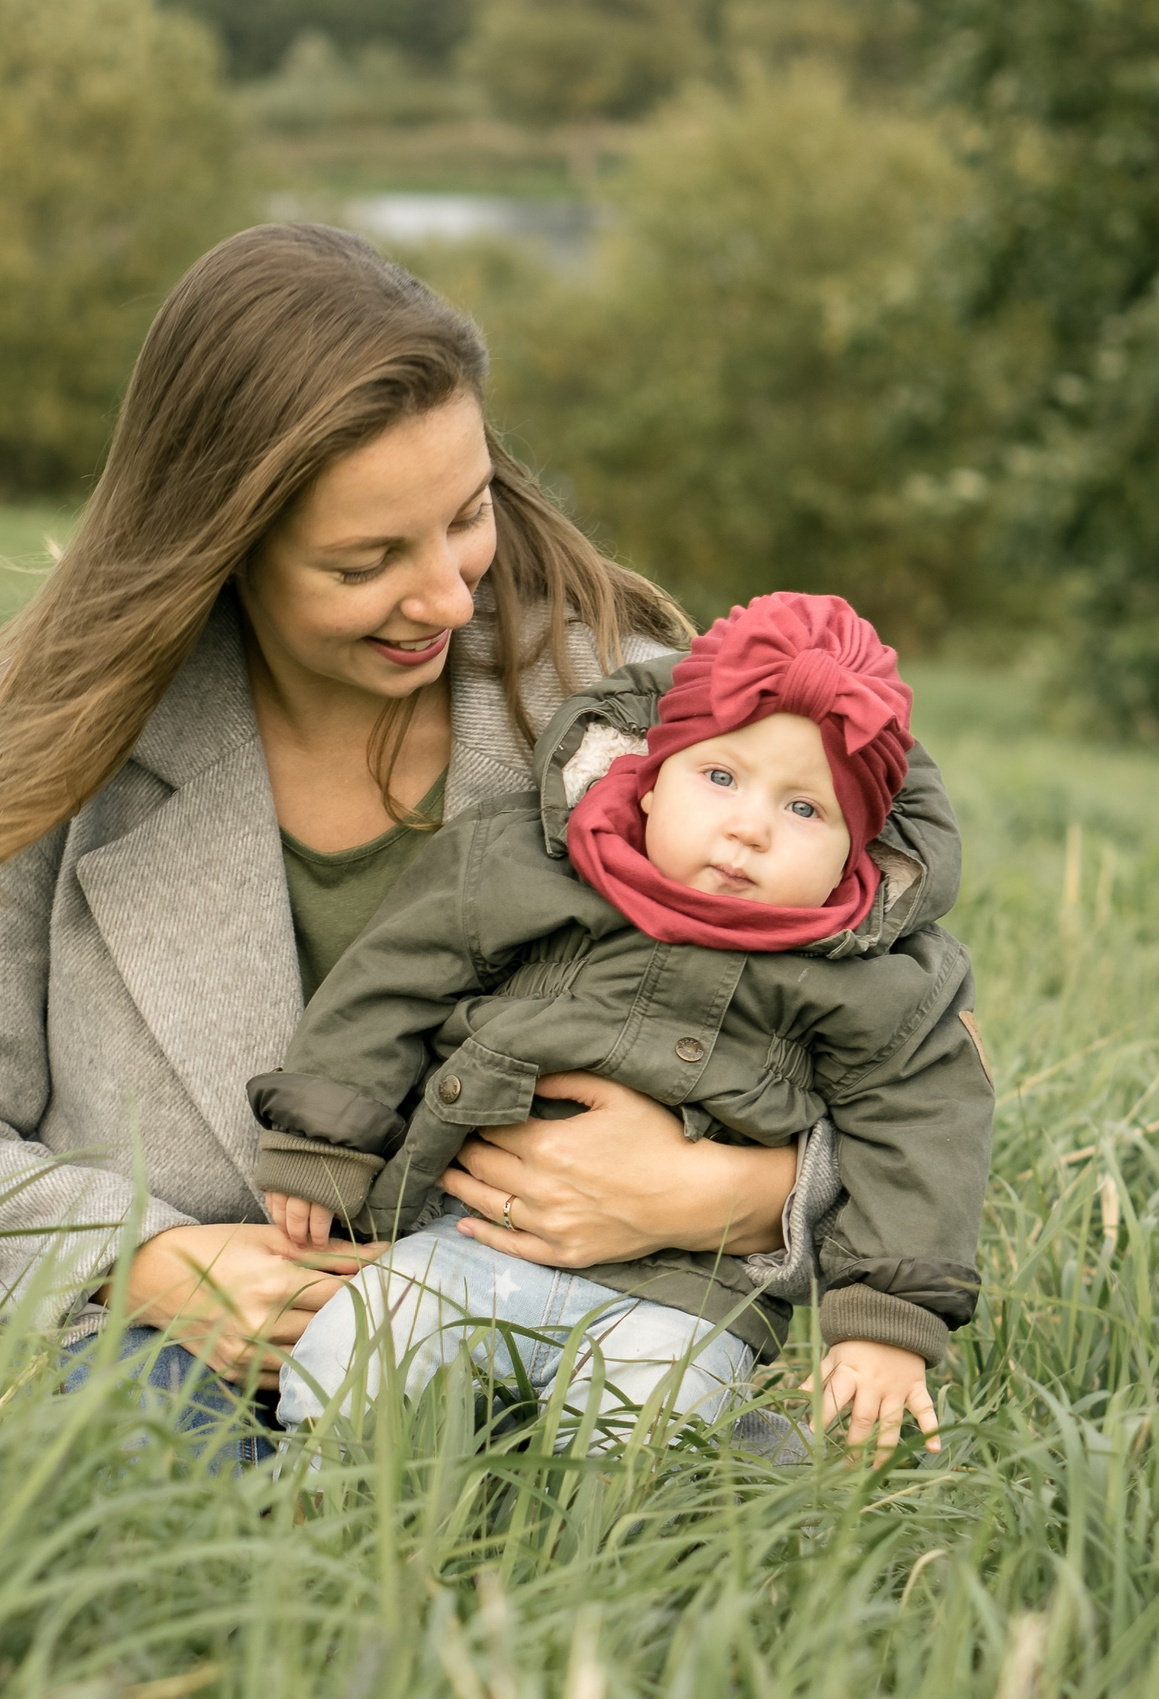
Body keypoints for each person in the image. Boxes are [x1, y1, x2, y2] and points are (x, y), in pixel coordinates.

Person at [0, 223, 960, 1467]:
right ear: (221, 544)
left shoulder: (650, 738)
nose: (449, 598)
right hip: (167, 1368)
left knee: (674, 1511)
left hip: (573, 1358)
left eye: (467, 516)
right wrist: (144, 1262)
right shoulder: (56, 734)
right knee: (138, 1474)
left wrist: (741, 1198)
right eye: (364, 562)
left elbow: (911, 1067)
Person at [253, 594, 994, 1452]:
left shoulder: (879, 980)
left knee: (646, 1430)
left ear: (855, 854)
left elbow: (926, 1125)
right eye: (719, 777)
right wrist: (325, 1137)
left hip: (689, 1294)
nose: (748, 828)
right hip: (464, 1233)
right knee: (356, 1358)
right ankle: (328, 1495)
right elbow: (393, 974)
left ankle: (651, 1505)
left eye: (805, 809)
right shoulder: (526, 866)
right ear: (649, 775)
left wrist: (885, 1322)